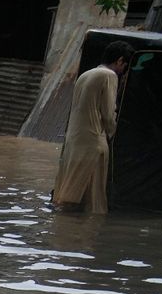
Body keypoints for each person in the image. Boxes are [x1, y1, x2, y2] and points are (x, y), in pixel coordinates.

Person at [54, 40, 130, 215]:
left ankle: (62, 226)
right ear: (119, 61)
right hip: (93, 141)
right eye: (124, 66)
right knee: (93, 201)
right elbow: (108, 113)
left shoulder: (87, 74)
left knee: (70, 187)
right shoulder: (109, 76)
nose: (123, 71)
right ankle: (83, 230)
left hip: (74, 140)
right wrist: (113, 132)